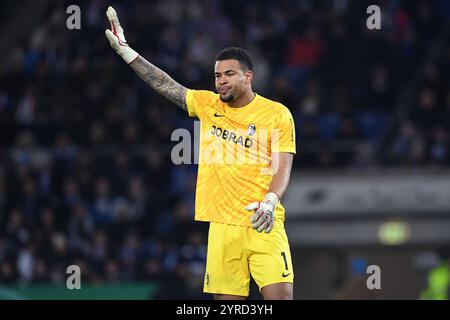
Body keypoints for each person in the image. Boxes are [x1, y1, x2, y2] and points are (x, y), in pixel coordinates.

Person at [105, 6, 296, 300]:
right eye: (217, 75)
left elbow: (283, 167)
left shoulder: (277, 114)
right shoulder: (208, 105)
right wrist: (129, 54)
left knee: (281, 298)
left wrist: (271, 201)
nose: (220, 80)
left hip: (263, 221)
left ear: (248, 77)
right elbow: (166, 85)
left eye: (229, 74)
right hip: (221, 227)